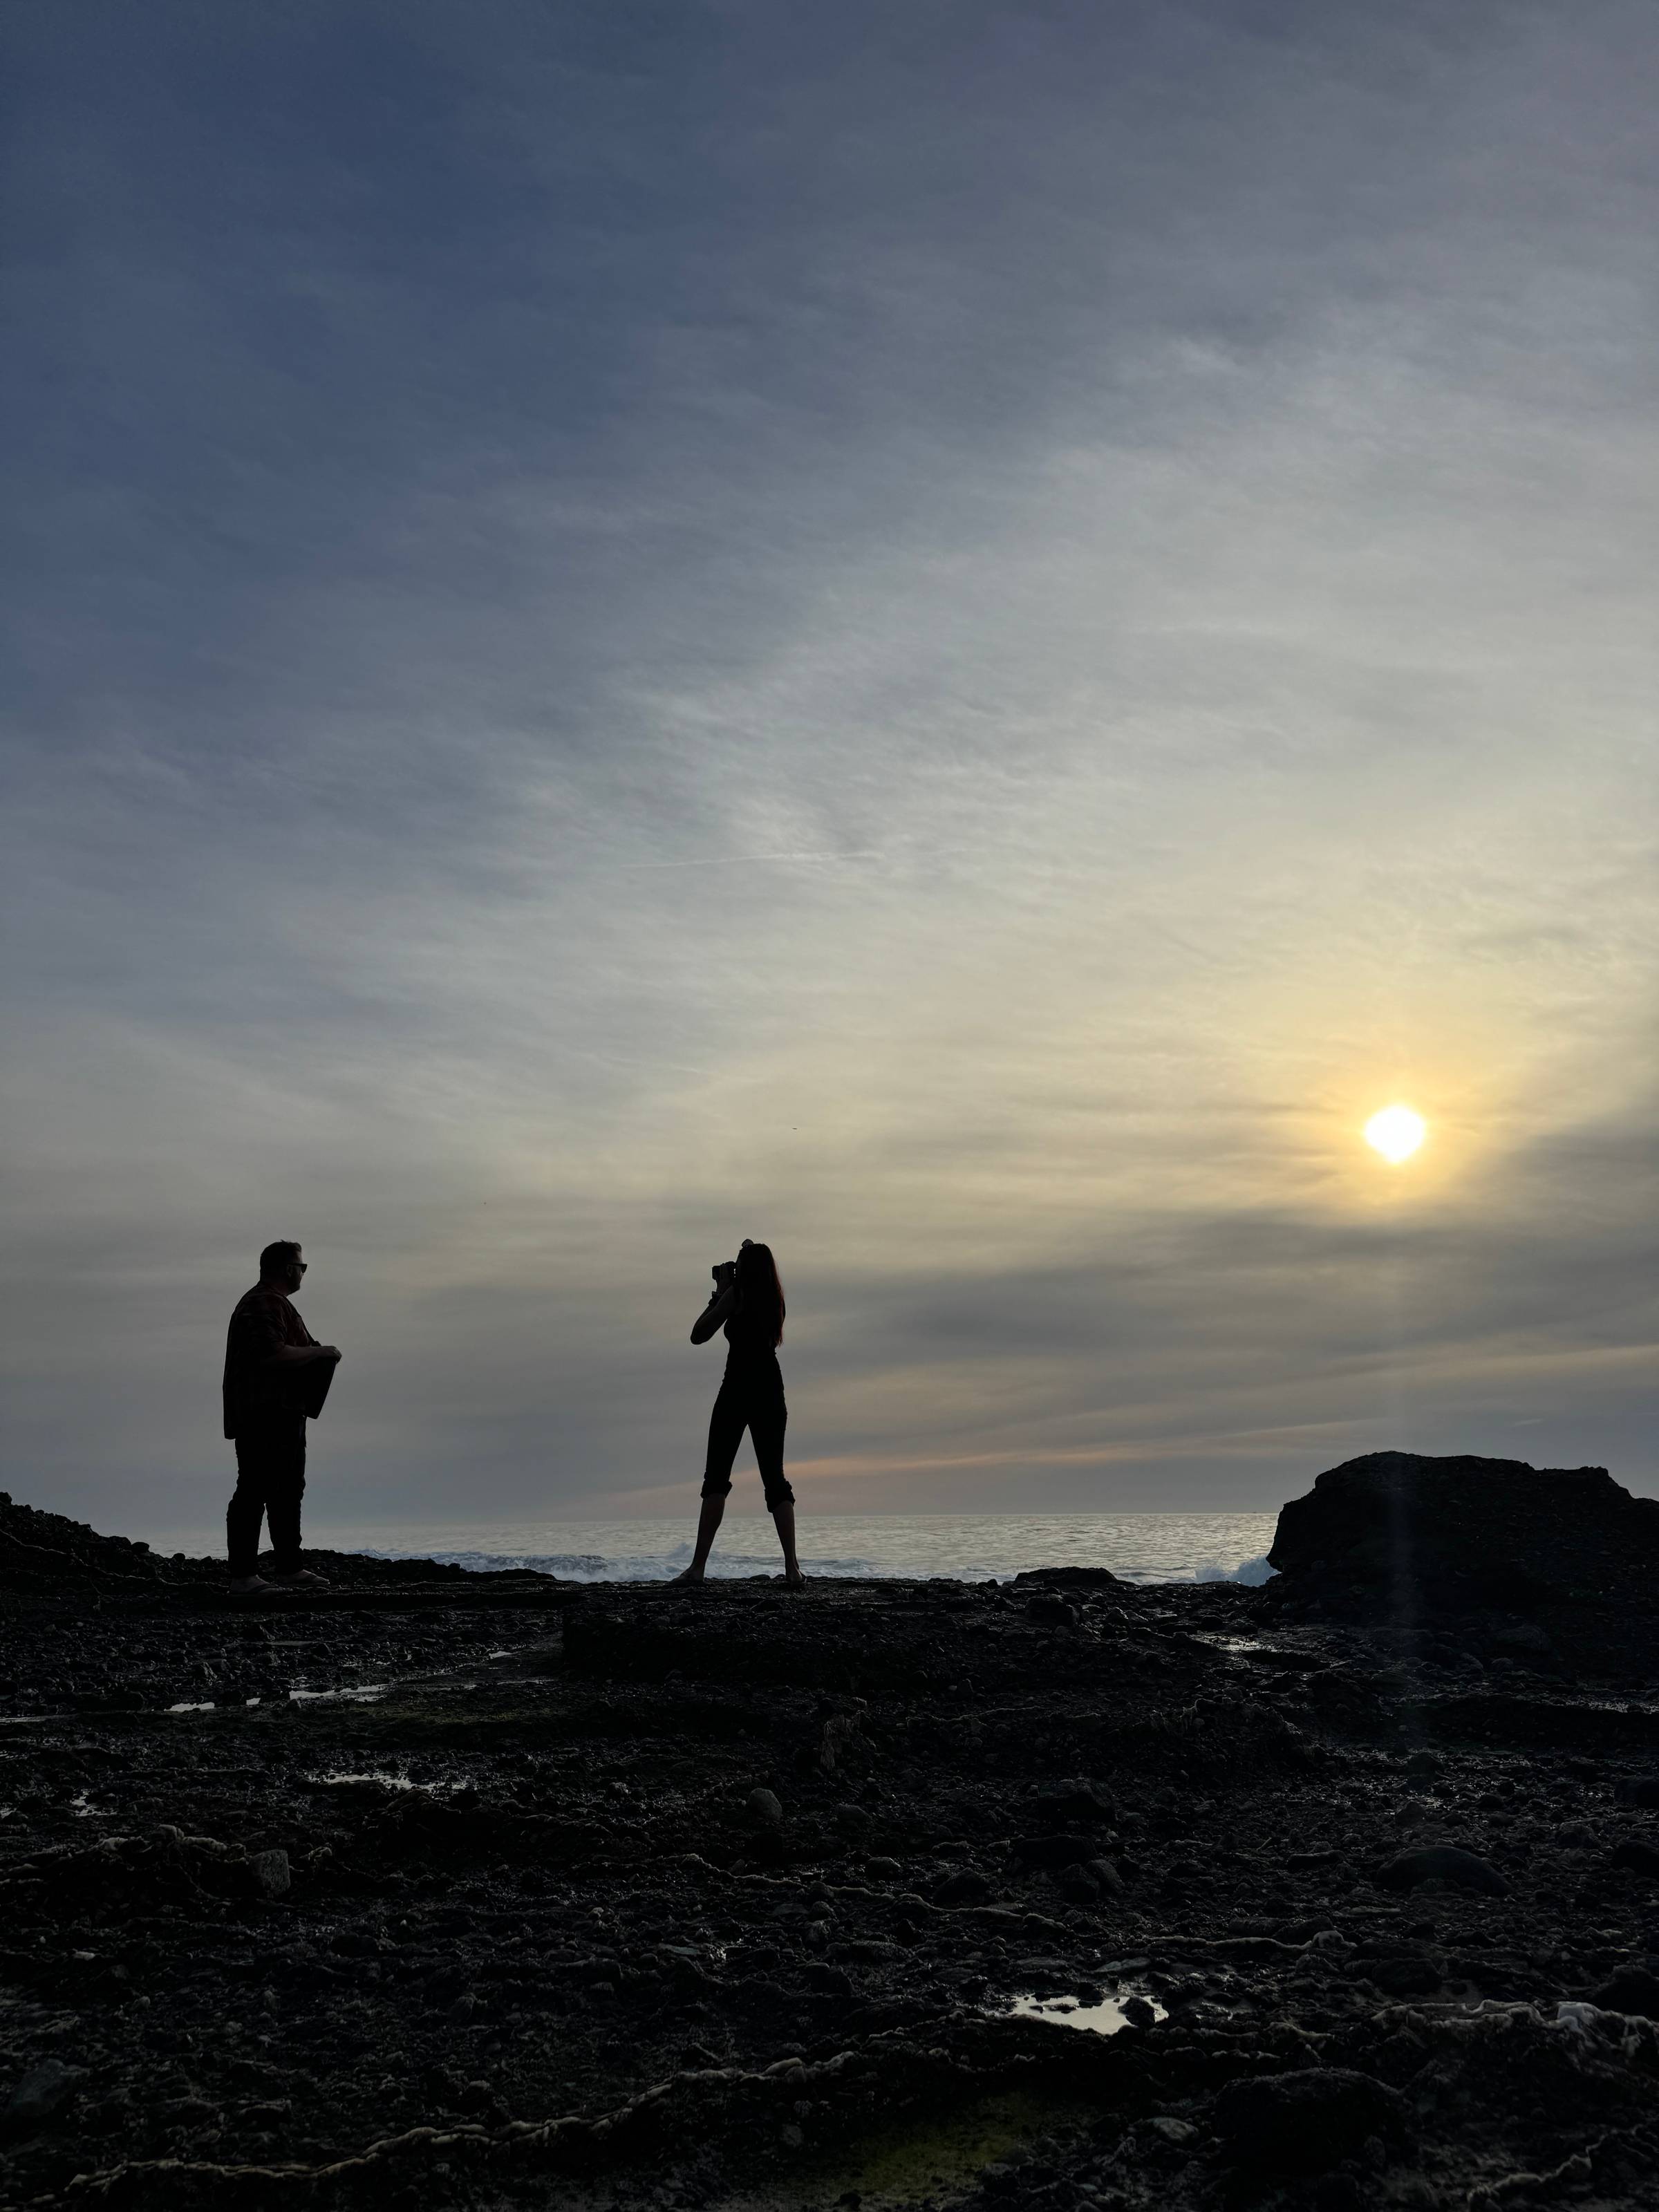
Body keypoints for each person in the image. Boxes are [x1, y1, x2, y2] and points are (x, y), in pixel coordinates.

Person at [675, 1239, 803, 1588]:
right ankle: (793, 1569)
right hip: (770, 1390)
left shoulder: (737, 1296)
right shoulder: (775, 1300)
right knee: (775, 1479)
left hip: (736, 1390)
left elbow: (698, 1335)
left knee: (716, 1478)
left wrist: (720, 1292)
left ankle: (698, 1569)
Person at [222, 1240, 341, 1595]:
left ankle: (289, 1569)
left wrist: (317, 1356)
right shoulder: (262, 1303)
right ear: (288, 1269)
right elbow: (268, 1353)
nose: (303, 1273)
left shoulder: (277, 1305)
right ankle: (243, 1576)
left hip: (285, 1411)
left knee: (287, 1491)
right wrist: (321, 1352)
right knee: (255, 1489)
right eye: (302, 1267)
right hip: (263, 1413)